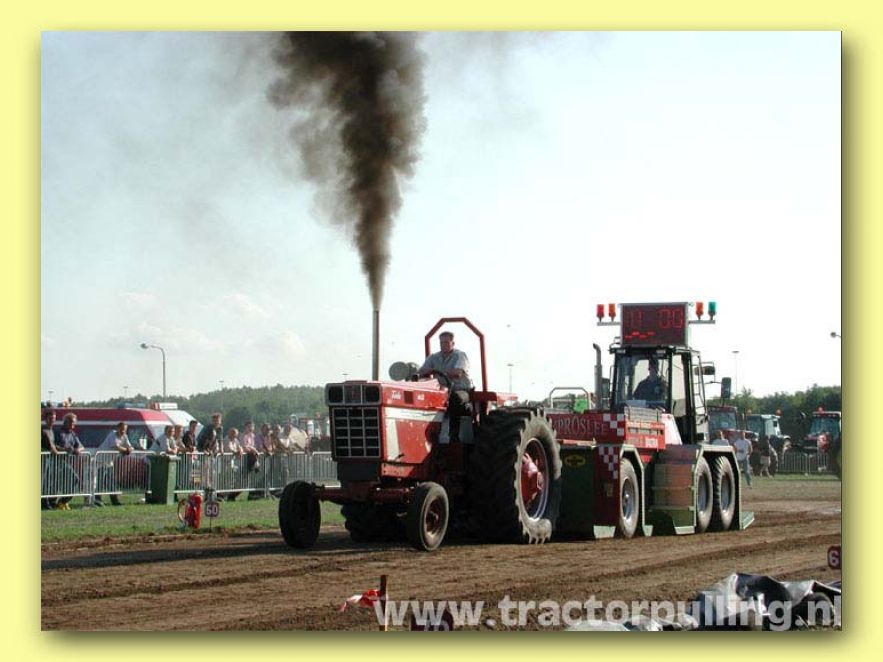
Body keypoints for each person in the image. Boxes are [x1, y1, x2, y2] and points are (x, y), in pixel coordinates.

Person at [417, 331, 474, 443]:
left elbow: (458, 372)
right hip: (440, 391)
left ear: (453, 343)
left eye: (446, 342)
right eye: (441, 343)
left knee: (455, 398)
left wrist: (437, 372)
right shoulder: (434, 357)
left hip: (460, 389)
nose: (443, 345)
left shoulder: (460, 356)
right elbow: (422, 371)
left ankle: (454, 435)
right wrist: (422, 373)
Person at [97, 422, 134, 505]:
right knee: (100, 481)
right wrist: (126, 450)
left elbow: (130, 446)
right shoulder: (112, 434)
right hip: (100, 460)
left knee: (110, 481)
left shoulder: (125, 436)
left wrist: (130, 449)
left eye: (124, 430)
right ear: (118, 428)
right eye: (121, 429)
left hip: (109, 461)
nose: (123, 431)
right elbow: (115, 446)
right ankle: (97, 499)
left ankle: (115, 500)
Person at [56, 413, 86, 509]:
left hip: (67, 461)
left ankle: (63, 501)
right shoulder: (58, 432)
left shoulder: (73, 434)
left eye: (74, 423)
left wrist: (77, 450)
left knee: (74, 480)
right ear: (66, 422)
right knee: (72, 479)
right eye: (72, 422)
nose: (74, 424)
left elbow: (81, 447)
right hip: (57, 461)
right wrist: (64, 449)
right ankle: (58, 502)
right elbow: (53, 445)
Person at [41, 410, 64, 509]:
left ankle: (49, 501)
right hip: (43, 459)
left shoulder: (52, 431)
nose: (52, 420)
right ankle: (44, 502)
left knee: (48, 481)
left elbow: (53, 444)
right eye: (50, 418)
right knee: (42, 481)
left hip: (50, 459)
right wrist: (49, 450)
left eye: (54, 418)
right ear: (45, 419)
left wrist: (61, 449)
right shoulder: (42, 430)